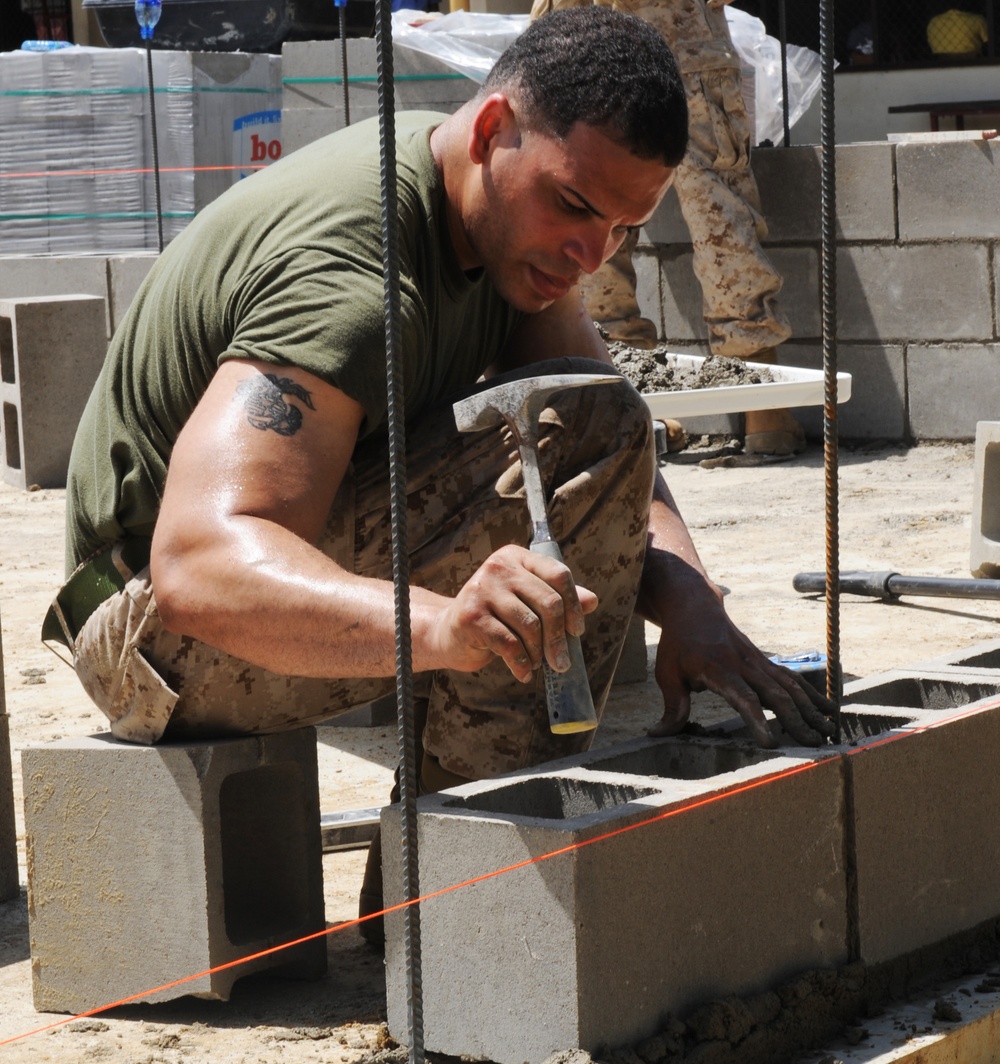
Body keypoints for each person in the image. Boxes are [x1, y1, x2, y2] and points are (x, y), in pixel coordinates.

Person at [47, 8, 831, 917]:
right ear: (494, 129)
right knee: (509, 592)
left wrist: (690, 598)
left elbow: (601, 432)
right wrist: (443, 627)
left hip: (237, 595)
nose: (591, 253)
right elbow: (200, 568)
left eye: (623, 228)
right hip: (152, 643)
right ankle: (457, 917)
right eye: (575, 205)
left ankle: (441, 897)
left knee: (598, 416)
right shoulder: (352, 275)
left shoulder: (508, 234)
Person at [530, 0, 803, 456]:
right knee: (718, 212)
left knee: (593, 208)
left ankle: (627, 409)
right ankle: (765, 411)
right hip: (679, 33)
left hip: (583, 34)